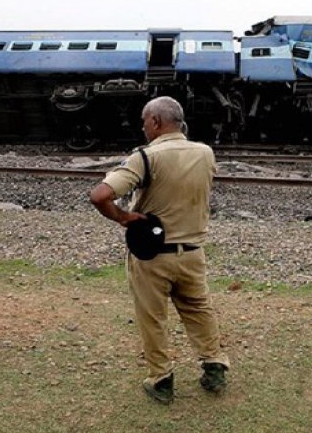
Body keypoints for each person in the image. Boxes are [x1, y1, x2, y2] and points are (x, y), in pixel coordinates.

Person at [89, 96, 230, 404]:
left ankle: (162, 379)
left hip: (152, 256)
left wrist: (124, 217)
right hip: (193, 252)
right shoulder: (205, 153)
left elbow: (100, 195)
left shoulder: (145, 157)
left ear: (155, 122)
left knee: (153, 318)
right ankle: (214, 365)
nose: (142, 127)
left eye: (144, 121)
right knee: (198, 309)